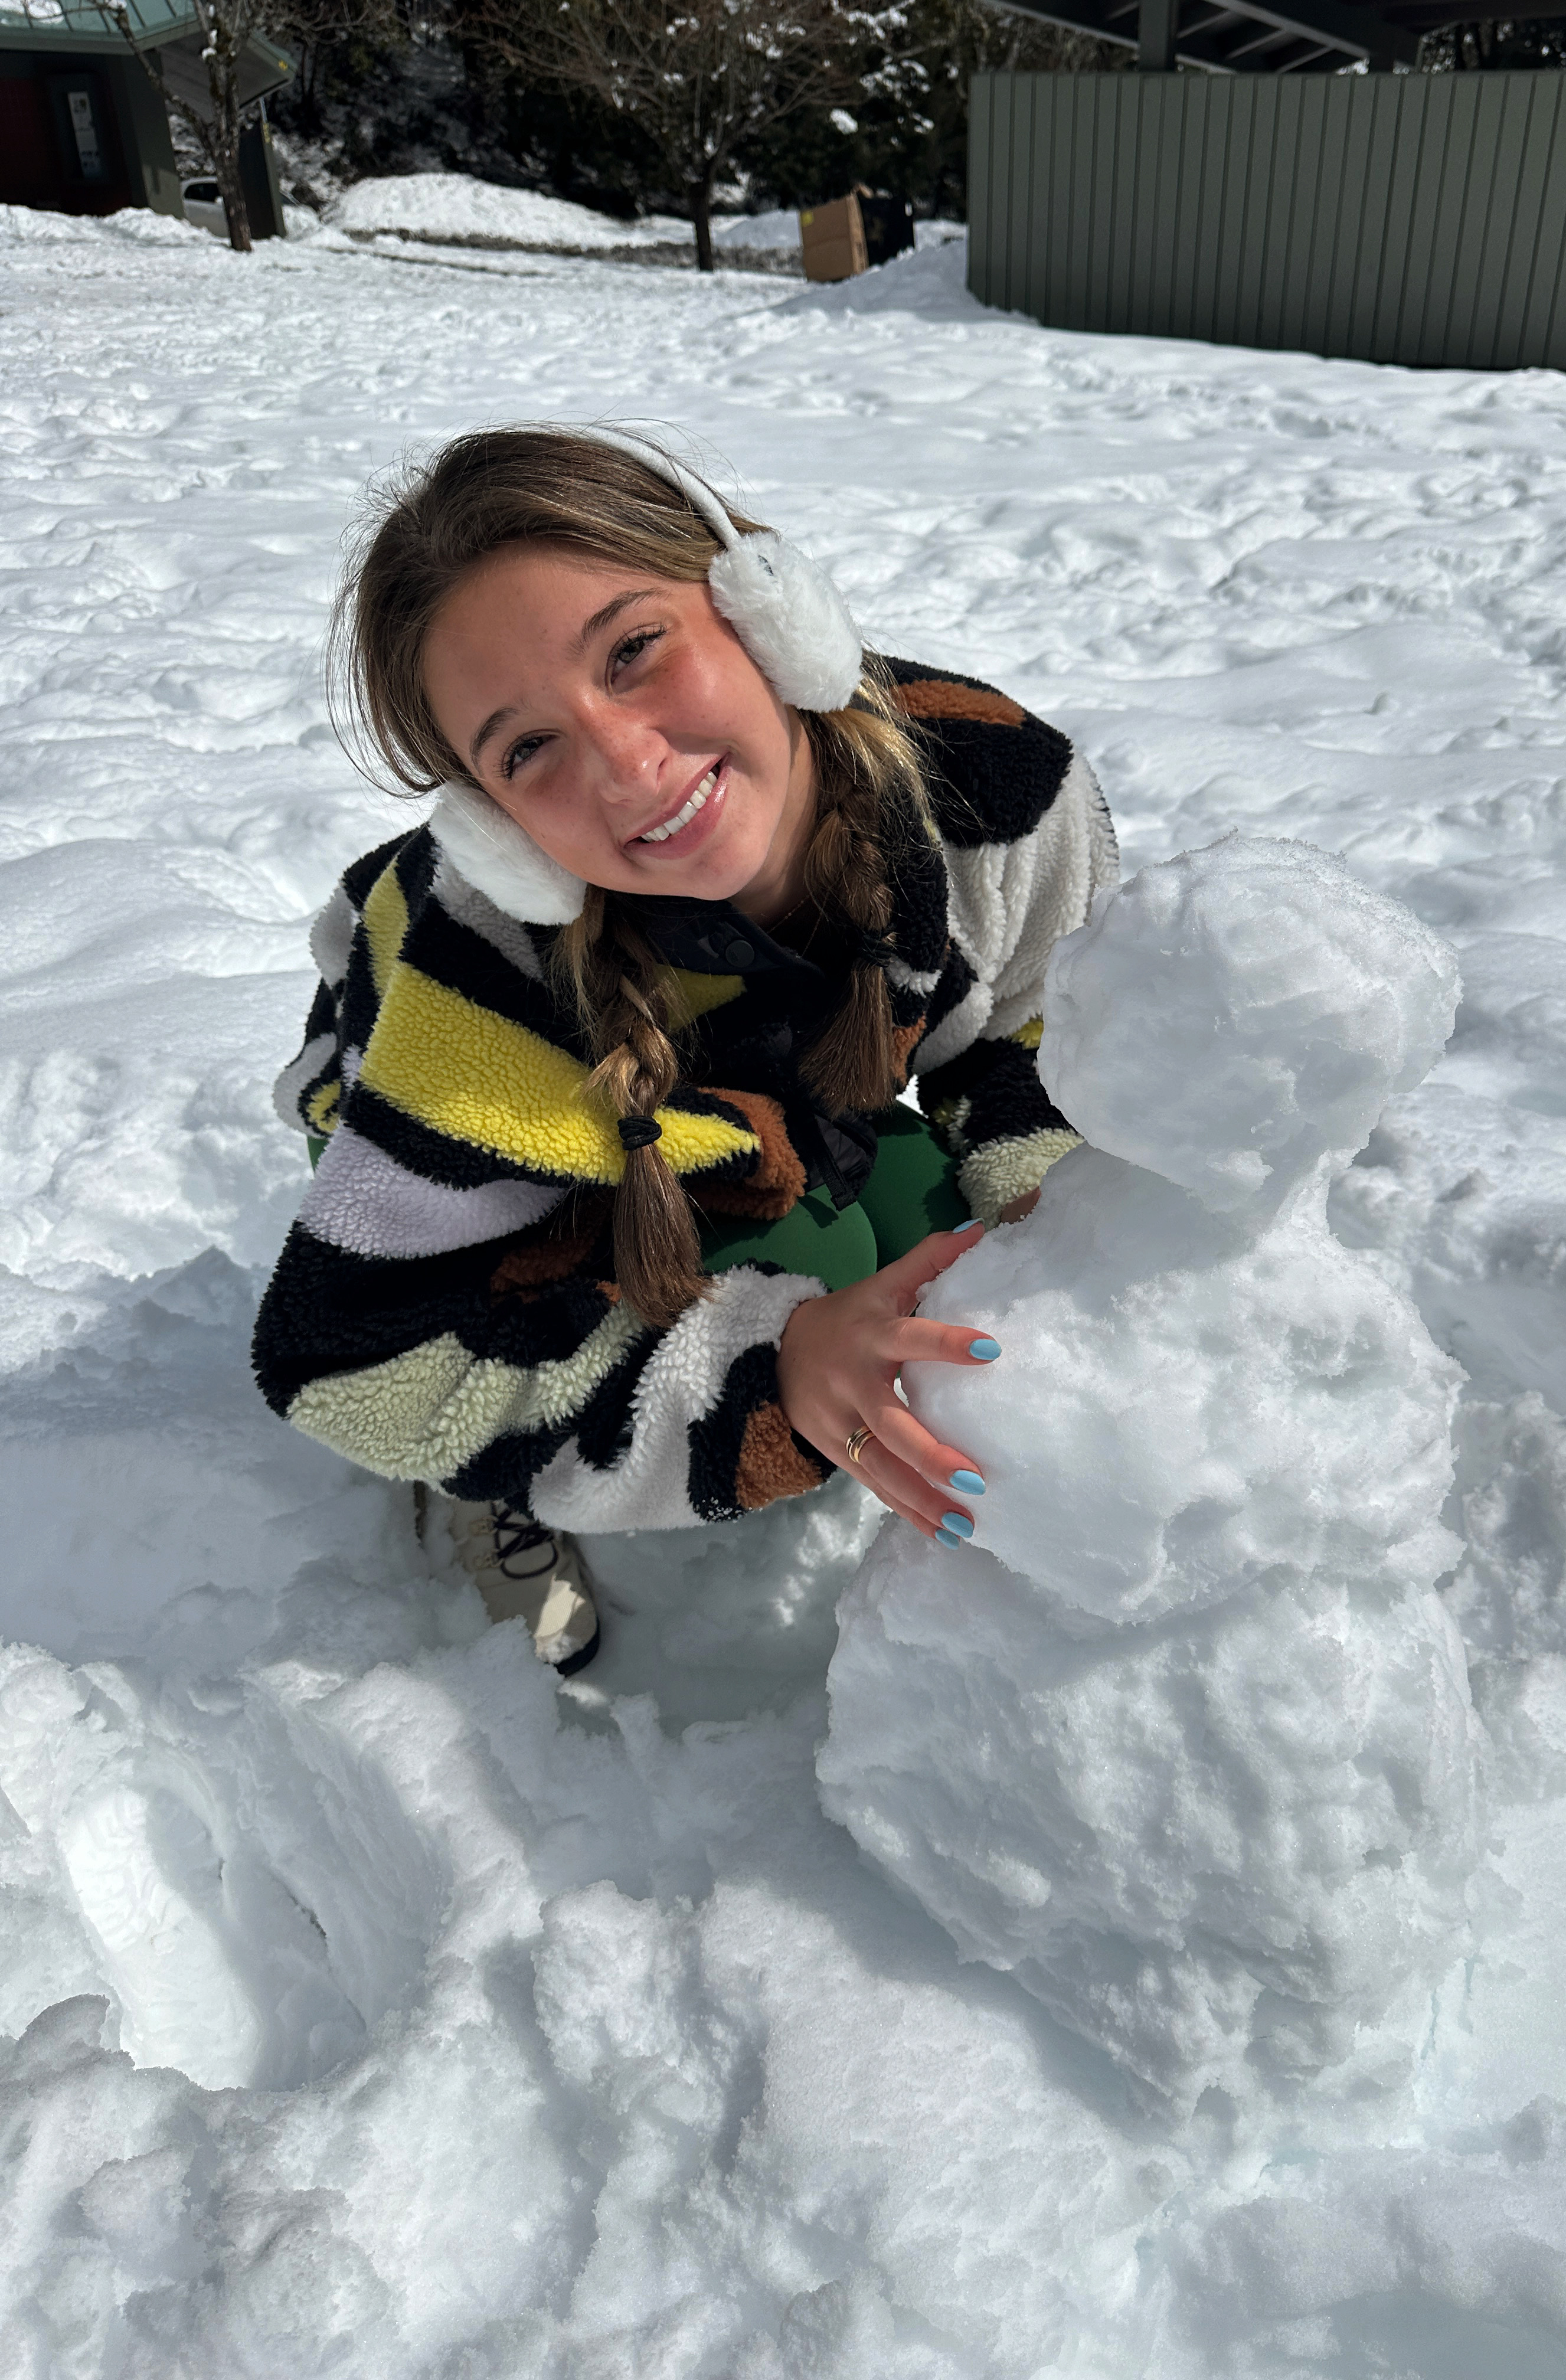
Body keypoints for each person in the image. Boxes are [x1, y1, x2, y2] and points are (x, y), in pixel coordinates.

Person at [251, 426, 1119, 1675]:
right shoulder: (493, 986)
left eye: (633, 650)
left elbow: (1036, 1025)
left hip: (742, 1088)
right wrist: (775, 1373)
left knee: (932, 1226)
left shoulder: (994, 785)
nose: (628, 767)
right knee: (808, 1257)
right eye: (526, 749)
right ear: (498, 827)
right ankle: (495, 1478)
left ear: (762, 606)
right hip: (449, 1110)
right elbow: (351, 1354)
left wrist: (1060, 1228)